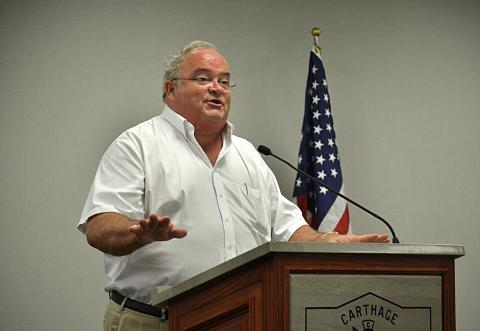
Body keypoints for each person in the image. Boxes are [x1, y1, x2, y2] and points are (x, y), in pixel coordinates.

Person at [78, 40, 389, 331]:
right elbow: (99, 226)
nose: (217, 88)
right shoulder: (137, 146)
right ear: (170, 89)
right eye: (202, 79)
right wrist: (137, 233)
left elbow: (288, 227)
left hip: (242, 318)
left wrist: (325, 241)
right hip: (156, 321)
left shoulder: (249, 156)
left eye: (224, 81)